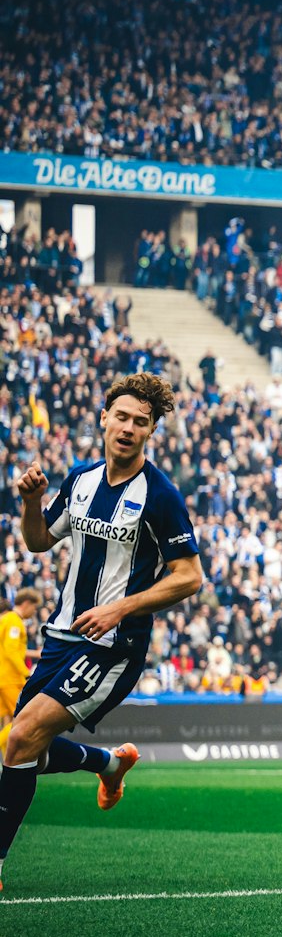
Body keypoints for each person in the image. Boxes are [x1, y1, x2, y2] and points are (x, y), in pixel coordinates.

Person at [0, 374, 205, 892]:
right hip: (61, 636)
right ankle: (108, 764)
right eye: (122, 417)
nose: (129, 428)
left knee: (21, 737)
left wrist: (119, 609)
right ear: (104, 418)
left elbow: (189, 576)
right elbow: (40, 542)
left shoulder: (160, 496)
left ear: (152, 431)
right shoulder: (81, 479)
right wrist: (30, 502)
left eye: (142, 422)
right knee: (22, 750)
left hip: (115, 646)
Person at [0, 591, 43, 756]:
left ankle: (7, 764)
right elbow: (11, 651)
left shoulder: (6, 620)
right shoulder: (14, 621)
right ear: (26, 603)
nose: (34, 612)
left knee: (9, 722)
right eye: (34, 607)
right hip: (11, 679)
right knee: (21, 721)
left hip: (3, 678)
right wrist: (25, 673)